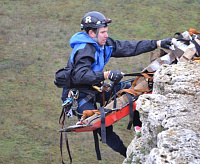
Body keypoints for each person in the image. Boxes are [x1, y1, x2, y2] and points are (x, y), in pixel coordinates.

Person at [61, 11, 172, 157]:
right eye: (103, 32)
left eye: (106, 31)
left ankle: (139, 126)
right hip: (79, 95)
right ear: (91, 33)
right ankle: (128, 154)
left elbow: (128, 47)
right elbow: (80, 75)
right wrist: (106, 75)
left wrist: (157, 43)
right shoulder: (85, 50)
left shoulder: (103, 44)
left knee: (134, 90)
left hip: (95, 88)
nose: (106, 35)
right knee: (101, 126)